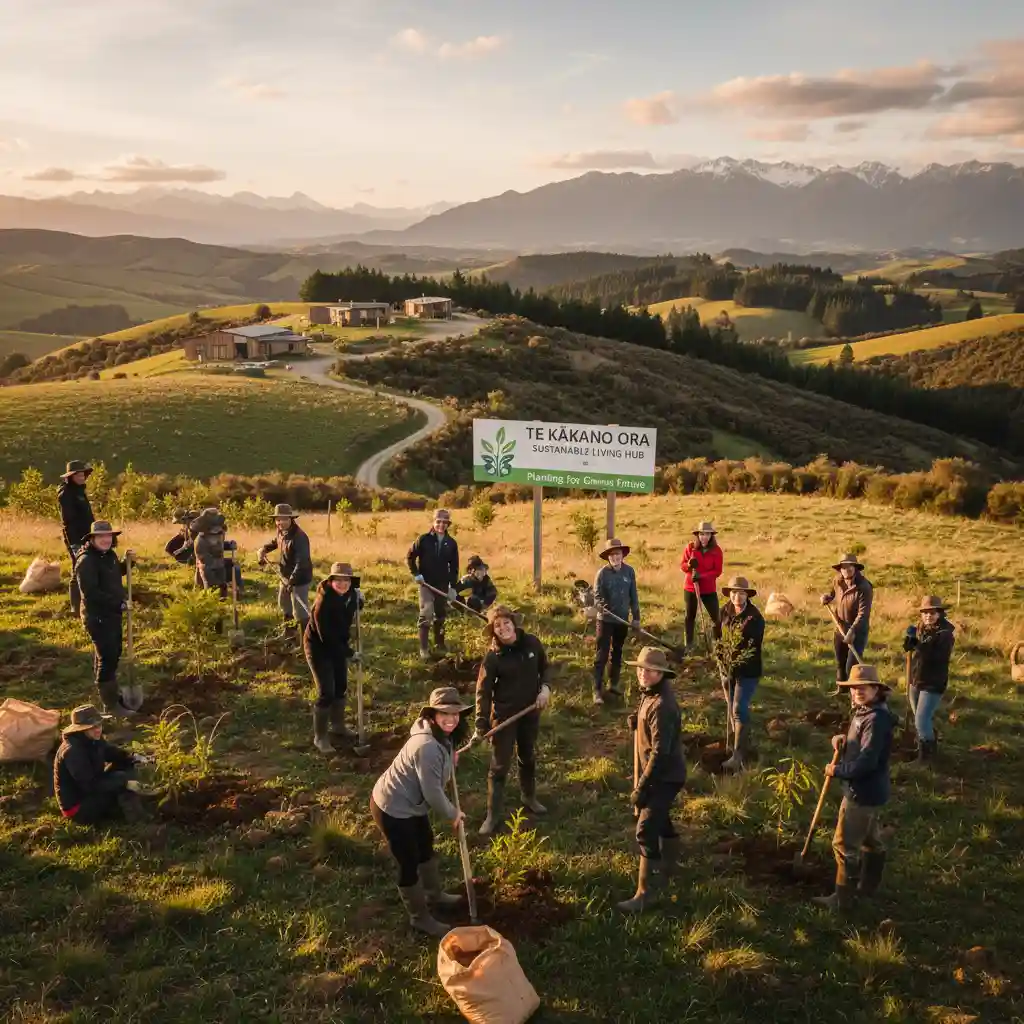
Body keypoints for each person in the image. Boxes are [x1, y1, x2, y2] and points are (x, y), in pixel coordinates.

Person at [370, 686, 470, 938]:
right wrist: (453, 813)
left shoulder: (440, 737)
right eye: (444, 713)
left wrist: (450, 757)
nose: (451, 719)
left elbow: (438, 769)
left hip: (413, 804)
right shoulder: (426, 746)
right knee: (409, 859)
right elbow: (433, 793)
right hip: (392, 807)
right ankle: (420, 918)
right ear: (432, 715)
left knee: (425, 844)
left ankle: (434, 894)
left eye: (456, 713)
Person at [813, 664, 895, 911]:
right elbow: (859, 745)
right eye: (854, 688)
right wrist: (843, 741)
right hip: (871, 789)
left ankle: (842, 900)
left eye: (864, 687)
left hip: (862, 791)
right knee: (870, 840)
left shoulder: (875, 719)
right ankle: (868, 887)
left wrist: (837, 770)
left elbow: (867, 761)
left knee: (844, 844)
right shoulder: (865, 711)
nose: (858, 691)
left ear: (876, 689)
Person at [617, 647, 688, 914]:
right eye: (640, 668)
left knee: (646, 829)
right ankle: (669, 867)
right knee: (661, 818)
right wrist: (639, 720)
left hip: (664, 775)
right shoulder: (651, 695)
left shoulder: (663, 705)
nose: (643, 673)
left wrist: (642, 787)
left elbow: (661, 752)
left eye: (649, 670)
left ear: (661, 673)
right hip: (661, 772)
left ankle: (645, 894)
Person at [474, 605, 552, 835]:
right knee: (499, 767)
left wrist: (545, 689)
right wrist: (481, 722)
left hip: (530, 711)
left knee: (527, 756)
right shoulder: (493, 657)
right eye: (497, 626)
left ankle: (529, 797)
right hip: (504, 717)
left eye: (506, 623)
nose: (503, 628)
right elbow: (483, 692)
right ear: (494, 631)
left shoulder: (532, 644)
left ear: (513, 623)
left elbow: (545, 668)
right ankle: (493, 814)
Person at [305, 562, 364, 753]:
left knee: (341, 686)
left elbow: (353, 606)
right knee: (326, 692)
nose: (342, 584)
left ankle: (338, 727)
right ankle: (320, 737)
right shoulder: (323, 604)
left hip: (338, 644)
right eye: (338, 580)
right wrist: (350, 653)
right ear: (331, 581)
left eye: (346, 580)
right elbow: (327, 638)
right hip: (319, 648)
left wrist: (359, 601)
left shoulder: (350, 595)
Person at [53, 704, 147, 824]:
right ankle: (137, 818)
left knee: (127, 764)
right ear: (80, 729)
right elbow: (89, 785)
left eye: (99, 725)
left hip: (92, 786)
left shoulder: (93, 738)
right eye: (92, 727)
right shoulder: (73, 751)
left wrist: (133, 757)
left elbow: (110, 752)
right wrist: (124, 783)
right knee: (121, 780)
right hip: (78, 807)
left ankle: (129, 802)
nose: (98, 729)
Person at [75, 521, 132, 715]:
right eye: (101, 537)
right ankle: (111, 706)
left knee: (112, 653)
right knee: (107, 657)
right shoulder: (86, 561)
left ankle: (111, 695)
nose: (106, 539)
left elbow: (114, 573)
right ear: (92, 539)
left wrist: (126, 563)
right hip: (98, 616)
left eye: (109, 536)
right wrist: (118, 604)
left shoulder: (108, 555)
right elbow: (90, 593)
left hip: (112, 614)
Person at [718, 576, 765, 772]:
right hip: (726, 668)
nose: (737, 596)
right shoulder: (724, 611)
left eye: (741, 593)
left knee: (738, 707)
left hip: (747, 670)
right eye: (734, 592)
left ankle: (738, 754)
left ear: (747, 595)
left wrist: (734, 662)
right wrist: (720, 657)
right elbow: (716, 634)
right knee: (730, 705)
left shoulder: (755, 618)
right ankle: (735, 740)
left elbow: (751, 647)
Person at [905, 595, 955, 761]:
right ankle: (923, 747)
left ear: (939, 613)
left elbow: (937, 658)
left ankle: (927, 758)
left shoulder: (945, 635)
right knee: (919, 718)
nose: (928, 616)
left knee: (921, 720)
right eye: (925, 613)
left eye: (932, 613)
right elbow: (916, 653)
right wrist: (909, 642)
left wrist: (918, 645)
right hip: (916, 679)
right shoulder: (920, 628)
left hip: (933, 682)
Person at [592, 537, 641, 705]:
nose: (615, 557)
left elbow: (633, 596)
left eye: (618, 554)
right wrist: (601, 606)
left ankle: (613, 684)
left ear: (622, 555)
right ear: (608, 557)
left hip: (622, 620)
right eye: (612, 555)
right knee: (602, 655)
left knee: (617, 652)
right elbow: (596, 597)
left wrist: (636, 618)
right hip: (605, 620)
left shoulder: (629, 572)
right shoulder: (602, 574)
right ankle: (597, 691)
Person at [407, 508, 459, 661]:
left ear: (448, 524)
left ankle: (439, 645)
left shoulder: (451, 543)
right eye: (438, 522)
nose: (441, 525)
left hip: (442, 584)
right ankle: (424, 649)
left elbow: (454, 567)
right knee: (427, 612)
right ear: (433, 522)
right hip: (426, 584)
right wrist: (417, 574)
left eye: (445, 522)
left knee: (440, 614)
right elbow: (410, 557)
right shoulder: (423, 539)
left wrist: (452, 587)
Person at [257, 503, 312, 635]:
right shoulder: (281, 531)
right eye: (277, 519)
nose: (280, 522)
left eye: (283, 519)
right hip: (285, 576)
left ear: (290, 519)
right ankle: (289, 634)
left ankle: (306, 639)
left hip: (299, 578)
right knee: (284, 605)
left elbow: (302, 562)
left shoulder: (299, 537)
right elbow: (276, 541)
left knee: (300, 610)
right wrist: (264, 549)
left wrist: (291, 581)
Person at [821, 554, 873, 684]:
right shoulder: (838, 581)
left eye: (850, 566)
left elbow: (863, 614)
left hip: (857, 631)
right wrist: (827, 598)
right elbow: (833, 594)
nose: (846, 569)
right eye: (843, 567)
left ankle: (855, 697)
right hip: (840, 627)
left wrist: (853, 631)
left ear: (855, 568)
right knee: (840, 662)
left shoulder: (864, 587)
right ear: (840, 569)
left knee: (852, 666)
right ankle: (841, 689)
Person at [57, 459, 94, 615]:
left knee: (87, 568)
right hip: (75, 537)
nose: (81, 477)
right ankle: (75, 607)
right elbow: (68, 521)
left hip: (87, 536)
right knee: (77, 569)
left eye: (83, 474)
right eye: (78, 475)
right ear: (70, 476)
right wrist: (76, 542)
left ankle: (86, 604)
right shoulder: (66, 493)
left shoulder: (79, 491)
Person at [680, 521, 724, 651]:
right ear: (697, 535)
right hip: (690, 588)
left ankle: (718, 646)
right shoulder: (691, 548)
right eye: (701, 534)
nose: (704, 537)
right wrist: (689, 565)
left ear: (711, 536)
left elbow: (717, 571)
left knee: (716, 618)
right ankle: (689, 645)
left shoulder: (716, 551)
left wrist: (702, 576)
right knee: (690, 617)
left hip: (708, 589)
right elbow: (682, 566)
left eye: (707, 534)